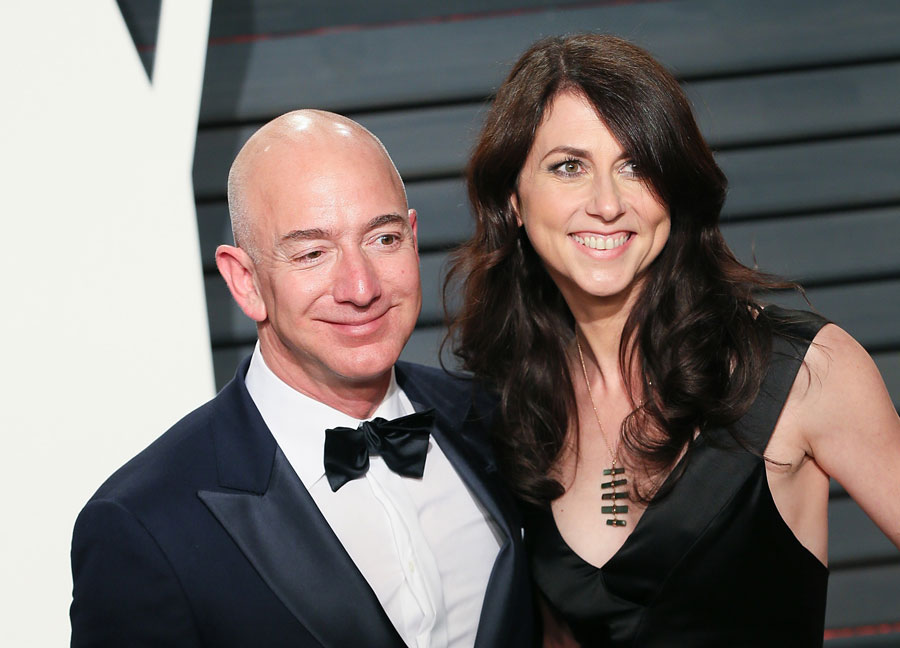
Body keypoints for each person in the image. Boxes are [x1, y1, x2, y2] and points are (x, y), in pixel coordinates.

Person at [445, 34, 900, 647]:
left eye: (635, 165)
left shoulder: (804, 373)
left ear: (675, 190)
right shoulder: (510, 407)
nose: (606, 203)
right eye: (569, 166)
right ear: (514, 201)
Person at [70, 110, 535, 647]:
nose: (360, 287)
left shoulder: (498, 418)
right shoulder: (144, 524)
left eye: (382, 239)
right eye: (312, 253)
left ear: (412, 236)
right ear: (245, 282)